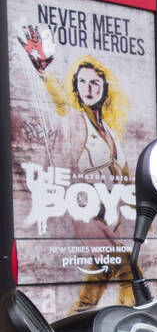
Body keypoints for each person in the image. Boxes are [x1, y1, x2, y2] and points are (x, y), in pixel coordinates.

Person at [20, 28, 135, 313]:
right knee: (126, 271)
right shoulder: (75, 119)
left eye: (95, 82)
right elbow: (60, 101)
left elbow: (123, 172)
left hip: (109, 213)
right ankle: (133, 322)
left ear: (105, 88)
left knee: (98, 276)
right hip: (86, 210)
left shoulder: (110, 129)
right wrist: (45, 74)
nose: (89, 88)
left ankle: (72, 324)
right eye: (82, 82)